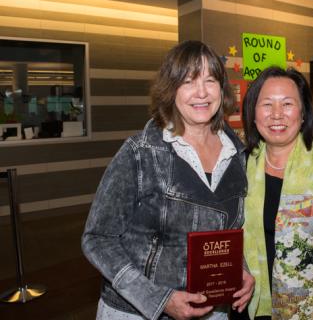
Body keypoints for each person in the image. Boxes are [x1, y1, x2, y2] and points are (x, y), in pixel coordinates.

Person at [81, 41, 254, 320]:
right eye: (188, 81)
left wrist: (240, 270)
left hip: (214, 312)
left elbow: (228, 232)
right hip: (137, 312)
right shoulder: (140, 153)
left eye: (210, 80)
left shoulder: (237, 156)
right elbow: (97, 239)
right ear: (171, 90)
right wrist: (159, 299)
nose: (201, 92)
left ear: (222, 90)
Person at [241, 67, 313, 320]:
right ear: (253, 113)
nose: (276, 114)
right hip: (252, 307)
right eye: (266, 104)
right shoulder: (240, 167)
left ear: (303, 114)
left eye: (287, 104)